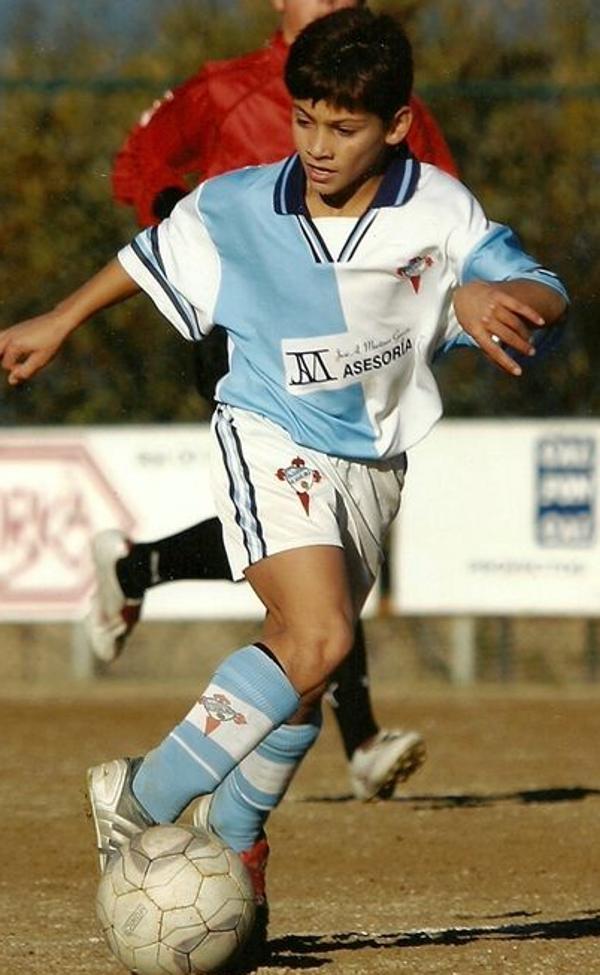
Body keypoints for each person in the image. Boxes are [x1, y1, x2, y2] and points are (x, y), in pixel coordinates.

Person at [0, 8, 568, 966]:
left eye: (342, 128)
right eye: (304, 119)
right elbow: (146, 260)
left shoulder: (440, 210)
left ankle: (227, 849)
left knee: (298, 685)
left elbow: (540, 287)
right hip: (266, 429)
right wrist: (58, 319)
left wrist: (485, 297)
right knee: (322, 636)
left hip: (374, 464)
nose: (315, 145)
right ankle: (139, 797)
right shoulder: (235, 205)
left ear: (396, 125)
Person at [85, 0, 460, 801]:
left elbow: (444, 214)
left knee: (293, 544)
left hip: (353, 361)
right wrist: (185, 236)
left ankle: (138, 566)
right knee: (302, 549)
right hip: (247, 341)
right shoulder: (222, 89)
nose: (329, 3)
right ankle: (355, 735)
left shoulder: (391, 96)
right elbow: (140, 160)